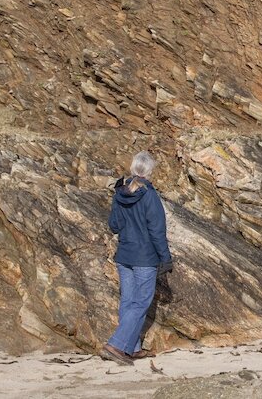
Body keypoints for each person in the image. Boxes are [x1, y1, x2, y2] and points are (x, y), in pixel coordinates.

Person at [100, 151, 173, 366]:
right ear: (150, 171)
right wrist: (165, 258)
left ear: (133, 168)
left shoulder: (120, 193)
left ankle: (131, 348)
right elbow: (157, 231)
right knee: (140, 303)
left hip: (125, 255)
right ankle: (116, 345)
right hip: (144, 258)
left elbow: (114, 226)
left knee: (129, 302)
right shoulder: (150, 195)